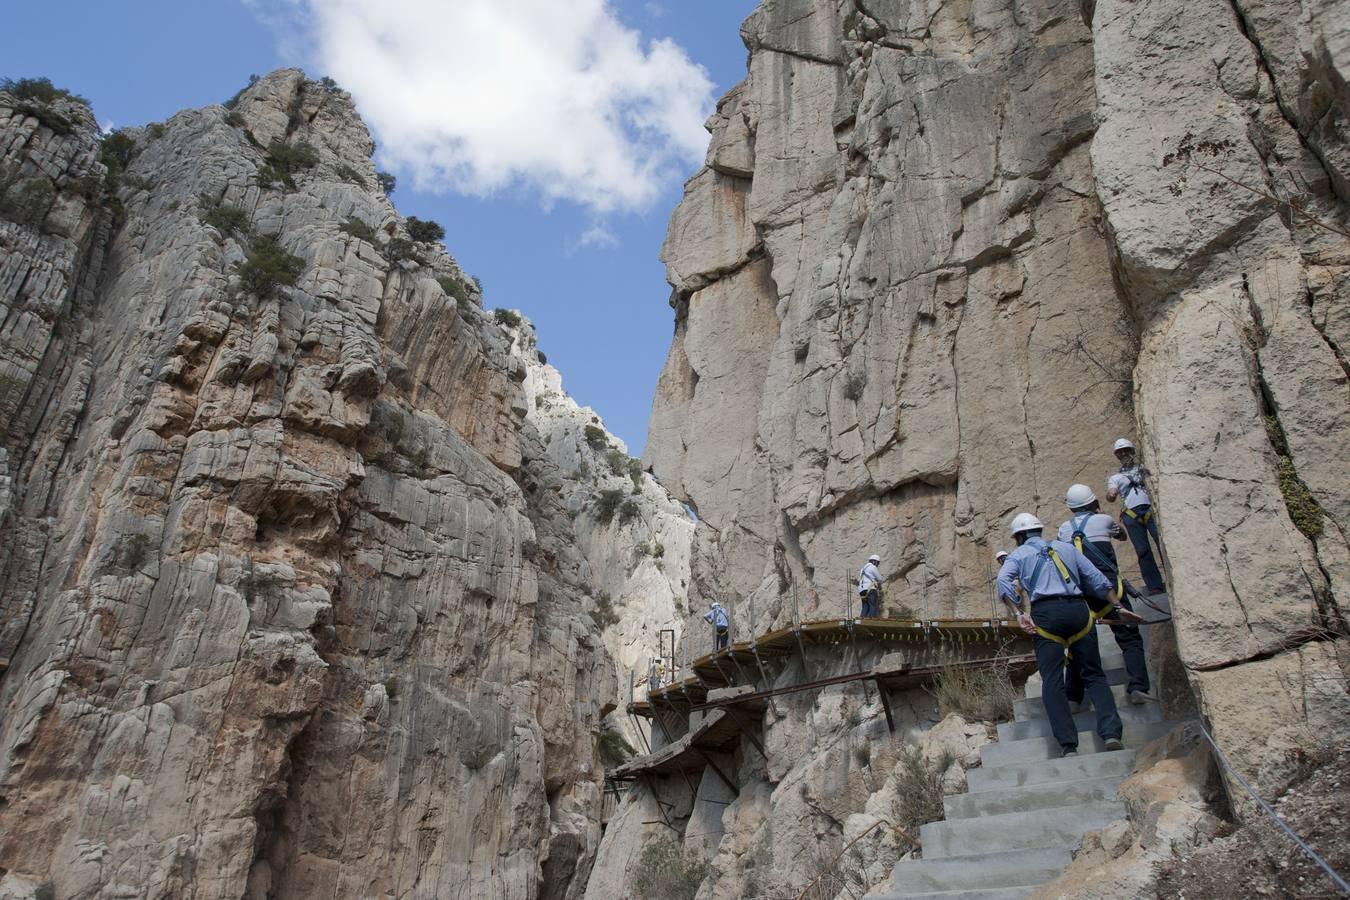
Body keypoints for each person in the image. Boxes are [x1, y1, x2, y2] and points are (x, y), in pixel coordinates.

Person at [997, 512, 1127, 758]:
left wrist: (1018, 612)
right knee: (1094, 674)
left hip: (1046, 615)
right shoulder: (1066, 548)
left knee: (1053, 680)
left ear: (1019, 536)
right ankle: (1111, 733)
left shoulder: (1019, 555)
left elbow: (1003, 581)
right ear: (1039, 530)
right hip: (1078, 610)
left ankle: (1068, 745)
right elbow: (1096, 578)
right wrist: (1118, 606)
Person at [1058, 484, 1153, 705]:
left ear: (1071, 508)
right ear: (1093, 502)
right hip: (1110, 589)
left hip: (1080, 592)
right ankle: (1138, 687)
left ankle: (1073, 697)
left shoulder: (1064, 529)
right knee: (1129, 638)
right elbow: (1122, 536)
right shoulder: (1104, 521)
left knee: (1076, 643)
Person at [1105, 438, 1167, 594]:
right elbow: (1111, 493)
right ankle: (1154, 585)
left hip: (1149, 509)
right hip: (1132, 514)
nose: (1124, 453)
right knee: (1142, 550)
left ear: (1132, 451)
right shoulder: (1116, 478)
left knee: (1163, 545)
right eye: (1120, 452)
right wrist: (1111, 495)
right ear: (1117, 455)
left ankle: (1173, 577)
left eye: (1126, 450)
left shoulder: (1144, 469)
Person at [857, 554, 882, 618]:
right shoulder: (873, 567)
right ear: (875, 561)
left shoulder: (862, 569)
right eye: (878, 563)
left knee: (865, 606)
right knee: (873, 605)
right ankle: (873, 620)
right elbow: (879, 579)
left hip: (862, 590)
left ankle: (862, 619)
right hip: (870, 589)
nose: (877, 565)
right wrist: (879, 585)